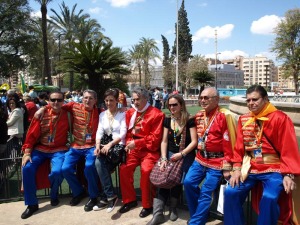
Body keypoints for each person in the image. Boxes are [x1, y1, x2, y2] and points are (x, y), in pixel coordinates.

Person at [224, 85, 300, 225]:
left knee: (270, 197)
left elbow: (288, 148)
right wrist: (236, 168)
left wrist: (288, 174)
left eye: (254, 99)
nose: (250, 103)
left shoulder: (280, 118)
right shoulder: (244, 119)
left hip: (274, 169)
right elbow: (239, 147)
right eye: (248, 100)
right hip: (250, 168)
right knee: (230, 192)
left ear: (265, 99)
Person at [35, 89, 100, 212]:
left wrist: (123, 109)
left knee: (90, 166)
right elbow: (56, 104)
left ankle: (93, 196)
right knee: (65, 169)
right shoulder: (73, 106)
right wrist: (42, 108)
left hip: (91, 147)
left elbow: (114, 113)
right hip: (75, 146)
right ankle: (78, 192)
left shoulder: (100, 112)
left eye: (91, 98)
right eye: (86, 97)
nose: (88, 100)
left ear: (95, 100)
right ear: (82, 98)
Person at [183, 87, 235, 225]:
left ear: (216, 100)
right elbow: (184, 121)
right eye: (201, 98)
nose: (202, 100)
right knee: (188, 183)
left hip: (217, 162)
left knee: (206, 192)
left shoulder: (224, 116)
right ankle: (198, 216)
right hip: (200, 159)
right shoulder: (199, 115)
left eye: (207, 98)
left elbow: (229, 141)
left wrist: (227, 165)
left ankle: (195, 222)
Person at [147, 94, 197, 225]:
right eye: (169, 105)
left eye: (175, 104)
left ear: (181, 105)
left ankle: (173, 207)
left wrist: (182, 154)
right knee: (163, 178)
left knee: (175, 179)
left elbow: (194, 142)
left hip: (185, 155)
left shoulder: (189, 120)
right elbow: (163, 141)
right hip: (169, 154)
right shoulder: (168, 120)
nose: (172, 107)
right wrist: (163, 158)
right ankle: (157, 213)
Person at [20, 91, 69, 219]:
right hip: (41, 149)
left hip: (59, 149)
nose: (56, 102)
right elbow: (32, 133)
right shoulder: (40, 114)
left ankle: (54, 195)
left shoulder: (68, 113)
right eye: (53, 100)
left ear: (63, 101)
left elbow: (87, 106)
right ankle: (32, 204)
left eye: (59, 100)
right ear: (48, 101)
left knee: (58, 172)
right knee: (27, 168)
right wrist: (27, 152)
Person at [118, 86, 164, 218]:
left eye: (137, 99)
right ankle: (129, 200)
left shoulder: (157, 114)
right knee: (124, 169)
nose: (135, 102)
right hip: (133, 148)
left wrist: (136, 143)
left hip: (149, 150)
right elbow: (126, 132)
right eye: (133, 99)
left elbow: (155, 138)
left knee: (146, 170)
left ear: (146, 98)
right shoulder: (130, 113)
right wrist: (128, 142)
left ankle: (147, 205)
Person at [93, 88, 127, 213]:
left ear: (117, 100)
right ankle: (110, 196)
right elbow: (99, 131)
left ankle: (106, 196)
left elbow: (123, 134)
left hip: (118, 146)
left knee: (100, 164)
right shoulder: (102, 114)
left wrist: (109, 145)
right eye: (106, 100)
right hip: (105, 145)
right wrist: (97, 146)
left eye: (111, 100)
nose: (108, 103)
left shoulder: (123, 114)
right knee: (97, 163)